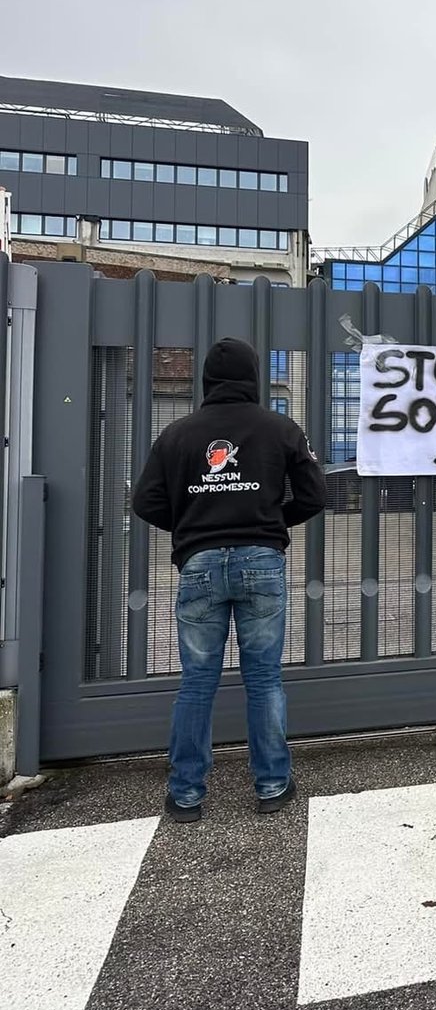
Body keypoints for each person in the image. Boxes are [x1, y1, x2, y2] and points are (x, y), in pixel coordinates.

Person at [133, 338, 326, 823]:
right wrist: (271, 522)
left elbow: (146, 502)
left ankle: (186, 794)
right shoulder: (280, 428)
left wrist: (192, 527)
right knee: (264, 679)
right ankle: (272, 784)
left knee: (197, 682)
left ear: (207, 380)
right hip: (261, 561)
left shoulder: (176, 434)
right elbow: (314, 495)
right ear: (253, 377)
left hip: (199, 565)